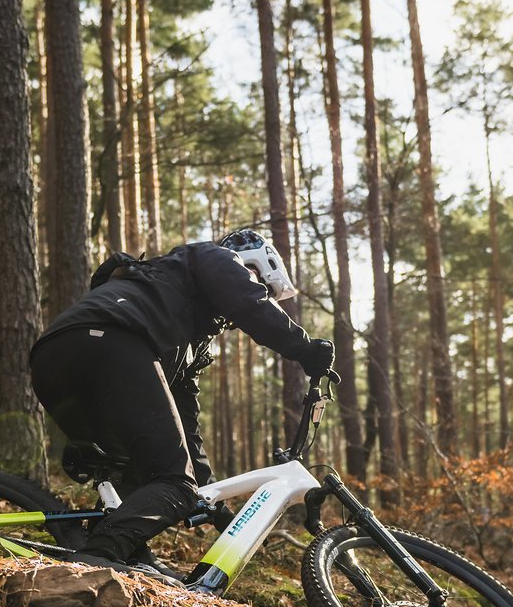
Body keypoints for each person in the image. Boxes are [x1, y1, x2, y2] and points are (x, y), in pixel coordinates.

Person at [29, 229, 334, 582]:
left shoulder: (183, 336)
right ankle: (96, 558)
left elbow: (185, 423)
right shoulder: (214, 257)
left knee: (145, 475)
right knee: (175, 484)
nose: (233, 324)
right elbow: (249, 303)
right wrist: (305, 349)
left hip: (52, 359)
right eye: (263, 287)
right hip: (111, 343)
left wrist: (213, 503)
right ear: (254, 267)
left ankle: (130, 555)